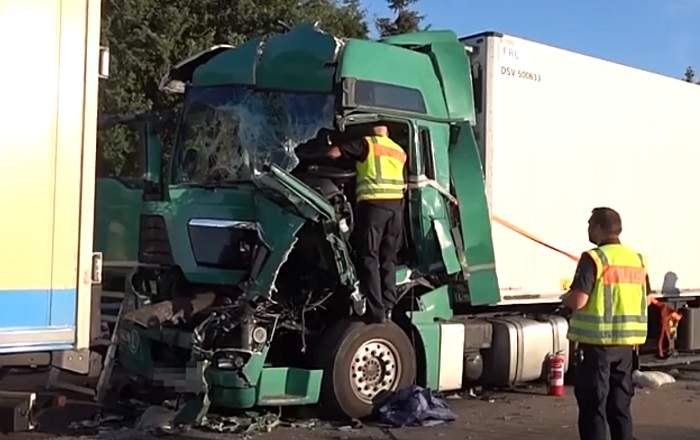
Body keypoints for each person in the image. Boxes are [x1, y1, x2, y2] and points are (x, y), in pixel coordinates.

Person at [562, 207, 652, 440]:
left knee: (594, 408)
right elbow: (648, 298)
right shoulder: (637, 259)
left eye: (590, 224)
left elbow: (579, 300)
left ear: (601, 228)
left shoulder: (593, 258)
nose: (588, 229)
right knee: (620, 407)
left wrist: (565, 297)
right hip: (626, 348)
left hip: (597, 346)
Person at [326, 124, 407, 323]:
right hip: (396, 210)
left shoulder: (367, 144)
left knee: (369, 258)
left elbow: (333, 153)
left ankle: (376, 312)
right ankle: (388, 306)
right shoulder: (399, 151)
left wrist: (322, 151)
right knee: (388, 259)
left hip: (375, 208)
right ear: (388, 131)